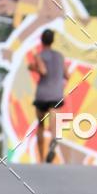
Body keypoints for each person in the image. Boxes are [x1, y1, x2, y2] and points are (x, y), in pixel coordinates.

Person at [29, 28, 68, 163]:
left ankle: (41, 158)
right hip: (56, 94)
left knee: (41, 125)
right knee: (54, 123)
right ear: (52, 41)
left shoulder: (39, 55)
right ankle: (54, 141)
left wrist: (32, 67)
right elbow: (67, 75)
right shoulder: (60, 56)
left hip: (42, 95)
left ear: (42, 40)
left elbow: (43, 71)